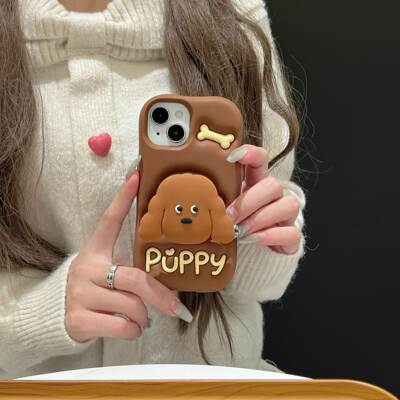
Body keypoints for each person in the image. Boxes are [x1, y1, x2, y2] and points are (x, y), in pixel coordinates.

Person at [0, 0, 307, 378]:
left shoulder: (231, 13)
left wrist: (262, 239)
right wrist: (35, 315)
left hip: (216, 388)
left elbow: (261, 282)